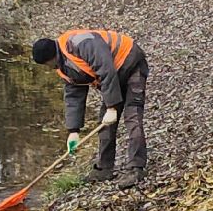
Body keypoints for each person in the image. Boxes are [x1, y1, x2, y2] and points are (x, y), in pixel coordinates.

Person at [31, 29, 149, 186]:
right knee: (105, 124)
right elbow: (74, 95)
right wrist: (73, 131)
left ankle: (136, 168)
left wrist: (112, 107)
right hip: (114, 76)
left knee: (132, 116)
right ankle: (104, 168)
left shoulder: (81, 43)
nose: (48, 68)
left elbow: (106, 69)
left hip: (130, 62)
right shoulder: (62, 66)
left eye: (46, 64)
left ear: (50, 58)